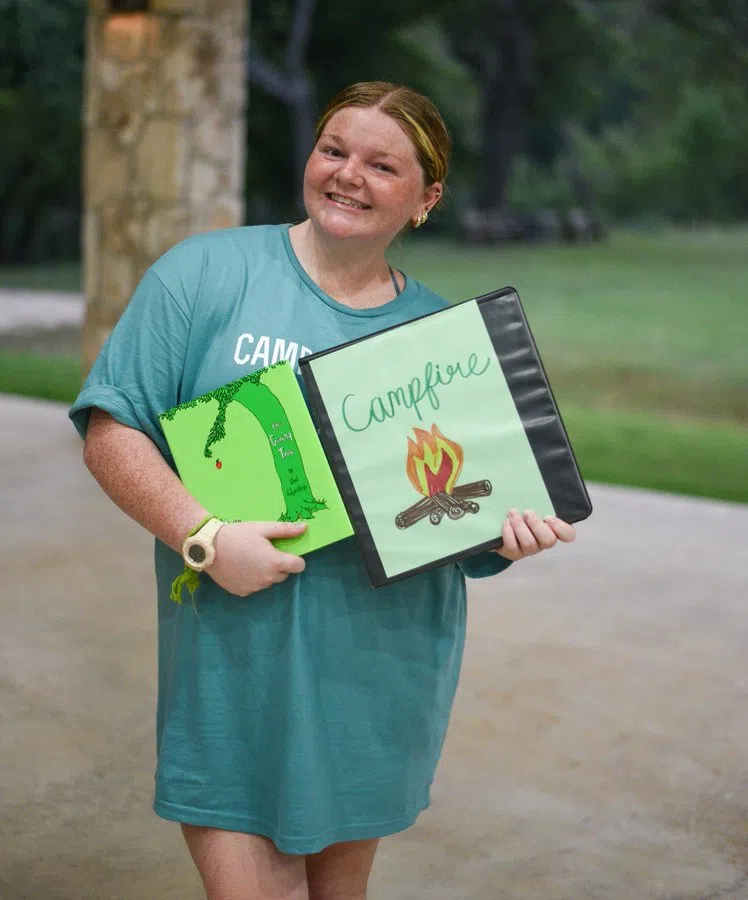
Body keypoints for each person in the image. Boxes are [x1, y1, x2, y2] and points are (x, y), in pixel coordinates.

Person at [70, 81, 576, 900]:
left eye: (383, 165)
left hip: (380, 669)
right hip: (233, 664)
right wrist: (203, 535)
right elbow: (113, 430)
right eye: (334, 150)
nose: (348, 175)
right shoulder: (206, 274)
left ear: (427, 198)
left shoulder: (443, 339)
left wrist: (501, 531)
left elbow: (458, 518)